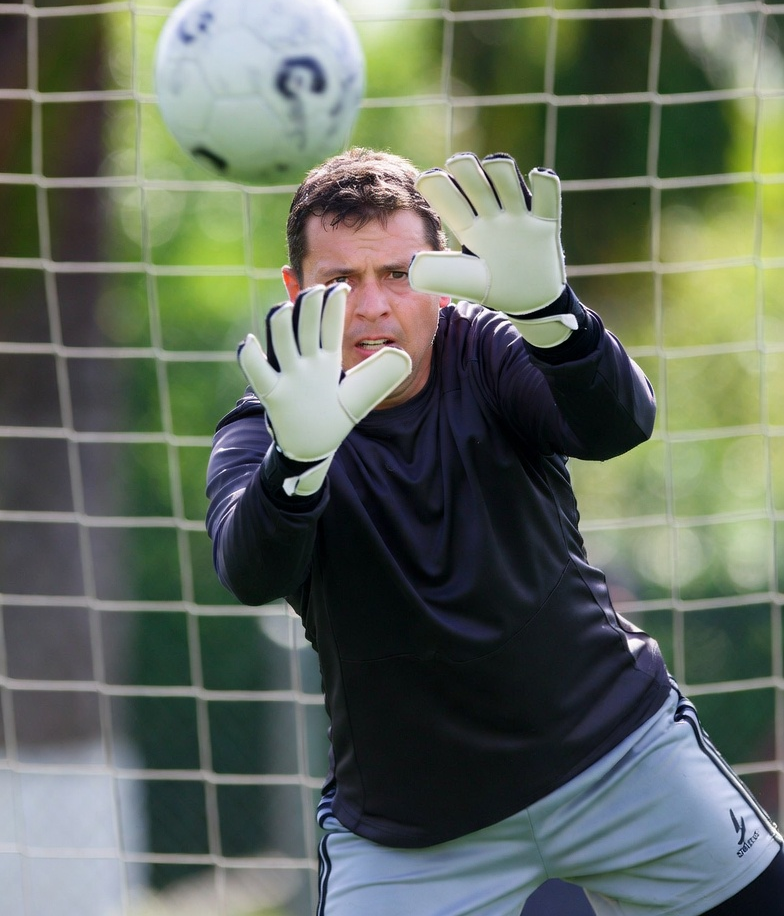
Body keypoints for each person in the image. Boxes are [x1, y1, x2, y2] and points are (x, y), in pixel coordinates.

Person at [206, 147, 784, 916]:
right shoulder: (267, 428)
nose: (373, 305)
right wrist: (298, 462)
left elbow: (619, 424)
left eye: (400, 273)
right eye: (340, 280)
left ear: (444, 281)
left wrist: (554, 312)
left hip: (620, 758)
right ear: (295, 290)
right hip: (413, 834)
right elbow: (250, 572)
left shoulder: (489, 350)